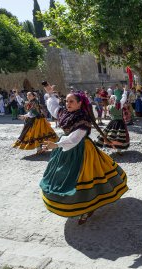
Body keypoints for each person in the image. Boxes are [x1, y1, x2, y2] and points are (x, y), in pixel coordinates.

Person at [41, 84, 128, 224]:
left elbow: (74, 139)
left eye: (71, 101)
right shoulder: (65, 113)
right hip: (64, 148)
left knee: (82, 178)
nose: (67, 104)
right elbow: (54, 109)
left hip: (80, 149)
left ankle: (87, 208)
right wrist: (51, 95)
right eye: (66, 101)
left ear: (79, 103)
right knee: (62, 176)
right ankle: (75, 205)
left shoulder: (83, 119)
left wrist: (56, 145)